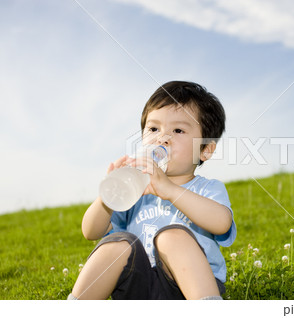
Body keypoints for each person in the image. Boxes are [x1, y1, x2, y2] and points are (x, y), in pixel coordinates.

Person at [68, 81, 236, 300]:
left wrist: (170, 191)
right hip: (140, 288)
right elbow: (90, 232)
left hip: (189, 289)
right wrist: (109, 196)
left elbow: (222, 222)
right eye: (154, 128)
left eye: (178, 130)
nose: (162, 138)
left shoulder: (206, 188)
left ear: (205, 149)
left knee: (171, 236)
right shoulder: (135, 190)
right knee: (116, 243)